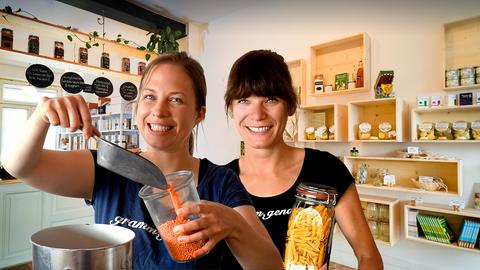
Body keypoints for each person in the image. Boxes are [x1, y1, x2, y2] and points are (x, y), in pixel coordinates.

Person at [2, 52, 282, 269]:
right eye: (149, 97)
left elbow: (271, 266)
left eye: (176, 100)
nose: (158, 111)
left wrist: (232, 224)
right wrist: (40, 118)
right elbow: (19, 166)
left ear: (199, 113)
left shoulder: (220, 182)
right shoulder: (107, 168)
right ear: (138, 106)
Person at [222, 49, 383, 269]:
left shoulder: (326, 169)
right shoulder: (219, 182)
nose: (257, 114)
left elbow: (368, 256)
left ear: (289, 105)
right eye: (243, 100)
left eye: (270, 99)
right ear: (231, 108)